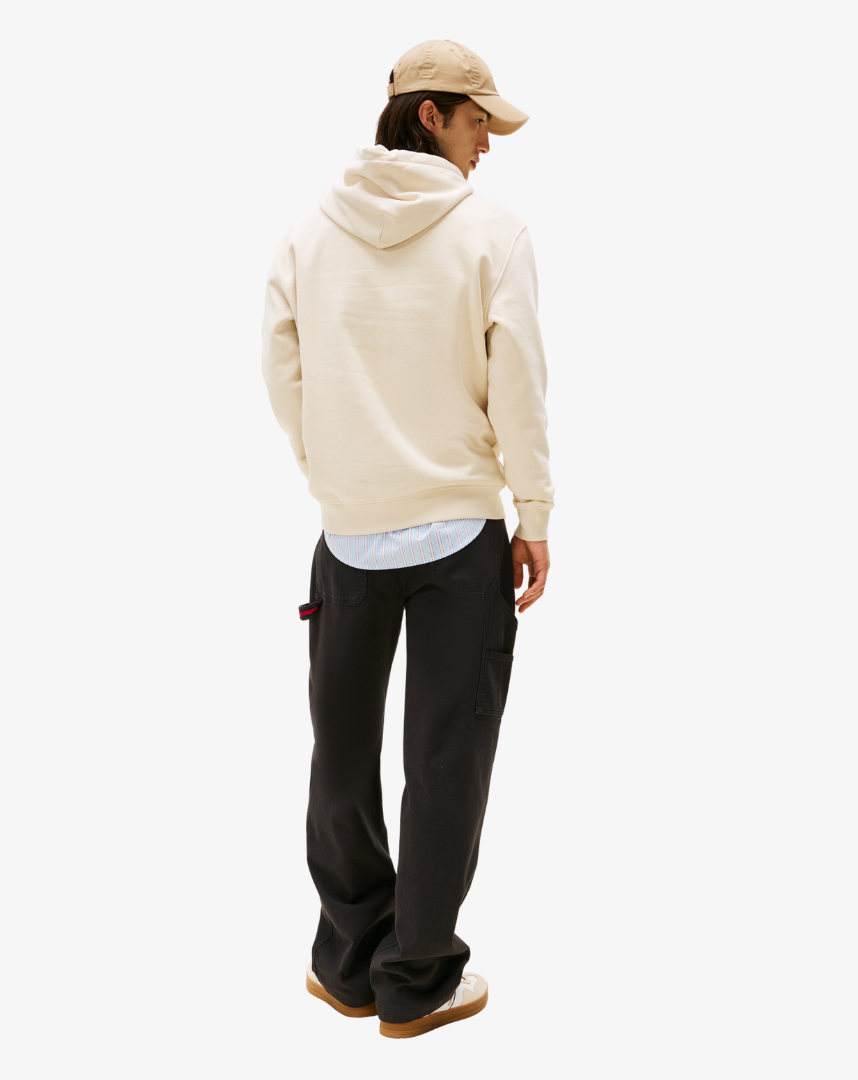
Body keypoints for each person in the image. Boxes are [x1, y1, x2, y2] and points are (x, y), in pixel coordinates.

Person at [261, 38, 555, 1039]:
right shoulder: (493, 234)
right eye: (478, 121)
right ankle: (418, 978)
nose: (488, 143)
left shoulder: (310, 232)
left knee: (340, 753)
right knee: (446, 758)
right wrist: (534, 512)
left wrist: (336, 471)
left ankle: (347, 963)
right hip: (458, 541)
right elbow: (518, 384)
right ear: (429, 115)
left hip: (348, 534)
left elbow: (280, 365)